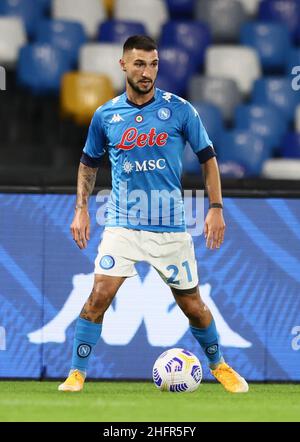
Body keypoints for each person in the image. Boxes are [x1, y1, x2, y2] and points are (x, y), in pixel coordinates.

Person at [58, 35, 248, 393]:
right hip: (122, 224)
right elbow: (88, 163)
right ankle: (76, 373)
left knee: (193, 305)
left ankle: (219, 365)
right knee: (99, 295)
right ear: (123, 65)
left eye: (154, 64)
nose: (148, 72)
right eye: (140, 64)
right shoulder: (106, 115)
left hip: (170, 227)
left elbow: (208, 159)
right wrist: (80, 209)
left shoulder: (181, 110)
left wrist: (216, 209)